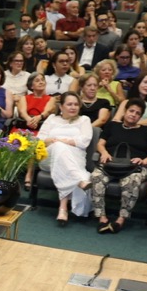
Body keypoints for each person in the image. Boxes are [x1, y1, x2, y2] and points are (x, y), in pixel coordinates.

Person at [89, 98, 147, 233]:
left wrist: (145, 160)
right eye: (131, 111)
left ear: (140, 116)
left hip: (135, 167)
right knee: (96, 177)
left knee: (131, 181)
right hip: (110, 164)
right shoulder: (112, 126)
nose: (133, 115)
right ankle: (102, 218)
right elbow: (100, 144)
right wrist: (104, 153)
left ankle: (120, 220)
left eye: (137, 113)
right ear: (125, 111)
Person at [37, 91, 93, 223]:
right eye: (69, 104)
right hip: (48, 158)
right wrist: (55, 141)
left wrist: (61, 141)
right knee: (58, 147)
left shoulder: (84, 120)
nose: (73, 107)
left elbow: (84, 141)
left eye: (76, 104)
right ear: (61, 106)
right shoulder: (52, 119)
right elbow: (40, 139)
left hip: (75, 158)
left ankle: (63, 208)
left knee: (60, 148)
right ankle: (79, 180)